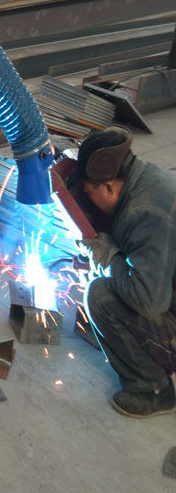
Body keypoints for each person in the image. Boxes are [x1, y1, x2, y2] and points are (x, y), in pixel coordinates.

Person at [68, 127, 176, 418]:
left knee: (101, 295)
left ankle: (154, 390)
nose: (88, 199)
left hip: (160, 299)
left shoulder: (145, 213)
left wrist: (108, 257)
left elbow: (149, 301)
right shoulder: (146, 177)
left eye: (89, 193)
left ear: (109, 188)